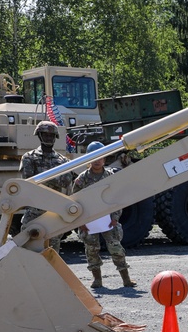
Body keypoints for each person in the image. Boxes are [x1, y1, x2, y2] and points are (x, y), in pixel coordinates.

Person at [71, 142, 136, 289]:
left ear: (105, 159)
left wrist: (115, 218)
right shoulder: (81, 180)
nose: (97, 160)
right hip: (89, 220)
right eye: (94, 157)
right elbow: (75, 203)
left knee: (116, 248)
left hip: (108, 219)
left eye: (100, 157)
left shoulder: (110, 177)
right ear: (89, 159)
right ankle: (97, 280)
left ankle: (126, 279)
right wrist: (81, 222)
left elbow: (117, 199)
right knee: (91, 250)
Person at [19, 120, 75, 255]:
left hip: (53, 211)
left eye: (51, 135)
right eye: (45, 135)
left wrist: (43, 178)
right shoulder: (29, 157)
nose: (48, 138)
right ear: (39, 136)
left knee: (52, 250)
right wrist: (55, 178)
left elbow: (66, 181)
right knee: (27, 247)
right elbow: (29, 182)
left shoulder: (63, 160)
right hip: (34, 211)